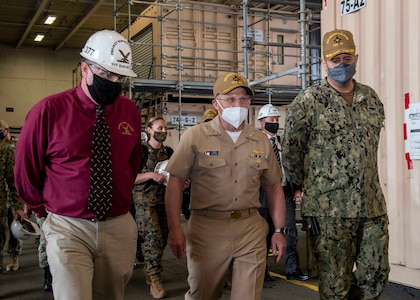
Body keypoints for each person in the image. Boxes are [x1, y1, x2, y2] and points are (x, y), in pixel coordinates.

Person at [14, 30, 143, 300]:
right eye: (106, 74)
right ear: (85, 68)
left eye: (119, 77)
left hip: (117, 225)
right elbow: (26, 171)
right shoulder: (48, 111)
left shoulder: (129, 111)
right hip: (67, 225)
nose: (113, 82)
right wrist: (44, 214)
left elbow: (130, 164)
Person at [282, 29, 390, 299]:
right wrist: (304, 187)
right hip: (329, 211)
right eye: (334, 59)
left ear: (356, 57)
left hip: (371, 206)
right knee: (335, 284)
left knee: (375, 275)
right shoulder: (308, 102)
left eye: (346, 57)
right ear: (324, 63)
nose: (341, 64)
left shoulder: (371, 99)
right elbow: (291, 152)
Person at [165, 72, 287, 299]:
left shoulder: (260, 140)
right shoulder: (195, 136)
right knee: (204, 294)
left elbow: (273, 187)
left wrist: (278, 230)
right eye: (230, 99)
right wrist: (174, 229)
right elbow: (176, 183)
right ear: (216, 103)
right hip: (207, 229)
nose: (238, 104)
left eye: (243, 99)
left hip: (250, 228)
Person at [257, 104, 309, 282]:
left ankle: (293, 269)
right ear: (262, 123)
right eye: (271, 120)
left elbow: (294, 167)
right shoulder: (256, 143)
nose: (275, 123)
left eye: (277, 120)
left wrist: (297, 189)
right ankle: (261, 272)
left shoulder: (283, 143)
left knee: (290, 232)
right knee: (263, 232)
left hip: (285, 191)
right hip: (263, 194)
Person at [132, 116, 173, 299]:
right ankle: (155, 277)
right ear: (149, 130)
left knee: (163, 237)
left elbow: (176, 174)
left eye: (165, 128)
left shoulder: (170, 153)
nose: (163, 131)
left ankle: (150, 268)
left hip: (164, 201)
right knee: (153, 237)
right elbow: (128, 178)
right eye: (159, 128)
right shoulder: (140, 152)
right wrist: (150, 175)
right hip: (144, 202)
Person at [180, 108, 219, 220]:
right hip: (197, 195)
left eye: (213, 122)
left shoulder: (226, 143)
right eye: (207, 122)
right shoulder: (194, 142)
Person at [0, 120, 26, 273]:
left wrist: (20, 204)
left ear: (6, 130)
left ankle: (14, 255)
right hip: (4, 193)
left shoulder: (15, 145)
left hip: (13, 191)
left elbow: (15, 176)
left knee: (14, 225)